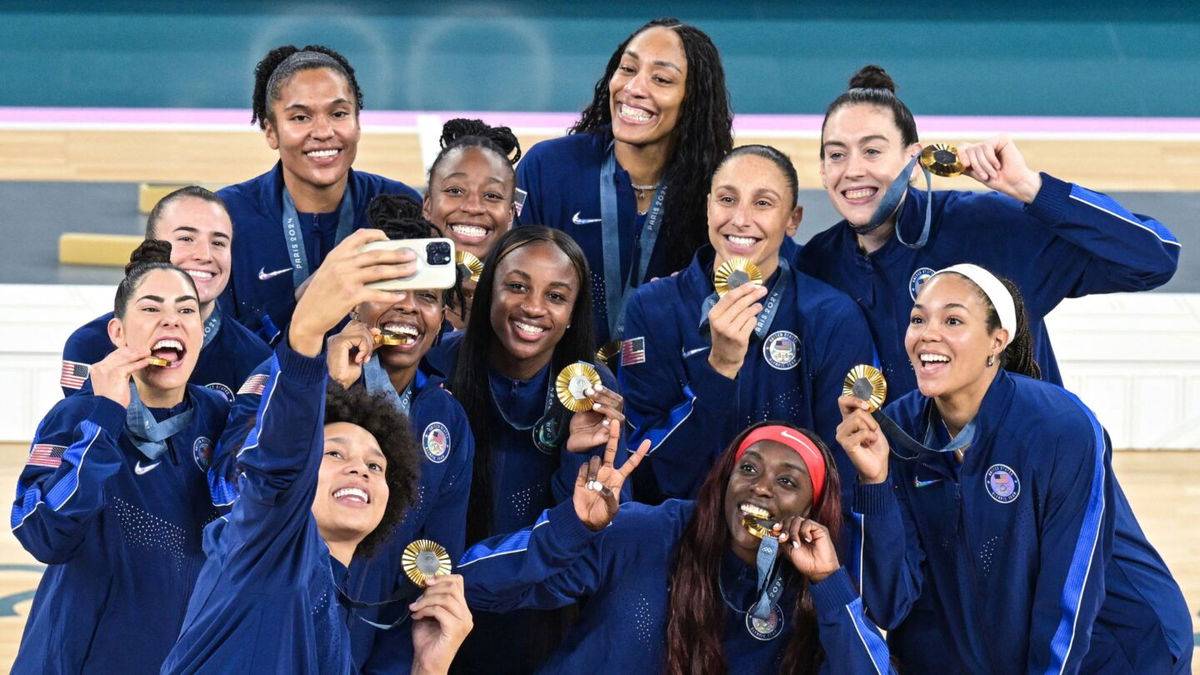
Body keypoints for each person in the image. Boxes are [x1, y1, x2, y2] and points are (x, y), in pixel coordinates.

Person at [837, 263, 1192, 673]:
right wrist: (874, 481)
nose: (927, 333)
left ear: (997, 341)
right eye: (918, 319)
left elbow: (1071, 591)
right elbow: (889, 604)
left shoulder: (1061, 426)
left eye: (952, 320)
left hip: (1117, 648)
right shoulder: (894, 434)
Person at [163, 228, 473, 674]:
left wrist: (429, 667)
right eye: (334, 455)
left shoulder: (332, 633)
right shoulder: (264, 550)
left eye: (375, 465)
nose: (360, 471)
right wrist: (307, 333)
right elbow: (274, 468)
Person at [796, 65, 1180, 399]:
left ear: (914, 161)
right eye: (836, 154)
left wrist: (1032, 189)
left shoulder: (986, 229)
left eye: (873, 151)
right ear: (823, 170)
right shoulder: (818, 264)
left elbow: (1153, 259)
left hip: (1025, 475)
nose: (853, 170)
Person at [459, 421, 893, 674]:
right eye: (748, 468)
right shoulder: (645, 532)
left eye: (786, 482)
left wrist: (829, 585)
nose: (760, 488)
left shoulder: (813, 589)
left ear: (811, 509)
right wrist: (570, 529)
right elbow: (471, 586)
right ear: (724, 482)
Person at [11, 241, 230, 673]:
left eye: (187, 310)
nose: (172, 319)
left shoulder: (221, 418)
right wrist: (104, 419)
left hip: (187, 658)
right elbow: (43, 536)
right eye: (151, 309)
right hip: (76, 659)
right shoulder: (77, 416)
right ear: (118, 333)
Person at [621, 145, 875, 501]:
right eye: (727, 199)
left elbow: (839, 471)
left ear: (793, 220)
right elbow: (647, 467)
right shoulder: (653, 308)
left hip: (790, 538)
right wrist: (719, 369)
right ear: (708, 206)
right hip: (679, 532)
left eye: (763, 203)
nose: (740, 219)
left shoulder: (832, 317)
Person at [426, 225, 628, 672]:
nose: (534, 307)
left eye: (556, 296)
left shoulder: (595, 391)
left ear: (575, 311)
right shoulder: (435, 366)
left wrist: (579, 455)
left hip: (543, 626)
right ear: (488, 290)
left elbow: (593, 545)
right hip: (436, 614)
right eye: (517, 287)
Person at [515, 17, 735, 347]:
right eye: (628, 69)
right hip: (559, 378)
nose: (633, 88)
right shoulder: (549, 167)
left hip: (670, 385)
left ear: (693, 100)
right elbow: (509, 280)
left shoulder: (719, 191)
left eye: (661, 79)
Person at [218, 44, 421, 344]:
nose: (324, 131)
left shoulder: (399, 206)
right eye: (300, 118)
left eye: (338, 113)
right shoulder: (228, 216)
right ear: (270, 131)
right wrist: (311, 295)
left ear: (358, 123)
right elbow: (218, 342)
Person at [61, 186, 270, 402]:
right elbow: (83, 432)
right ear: (151, 245)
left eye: (218, 243)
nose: (205, 255)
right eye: (186, 238)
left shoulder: (256, 360)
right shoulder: (90, 346)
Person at [422, 119, 522, 329]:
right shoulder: (392, 295)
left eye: (492, 195)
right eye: (455, 191)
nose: (473, 207)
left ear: (511, 213)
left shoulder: (526, 308)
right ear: (428, 205)